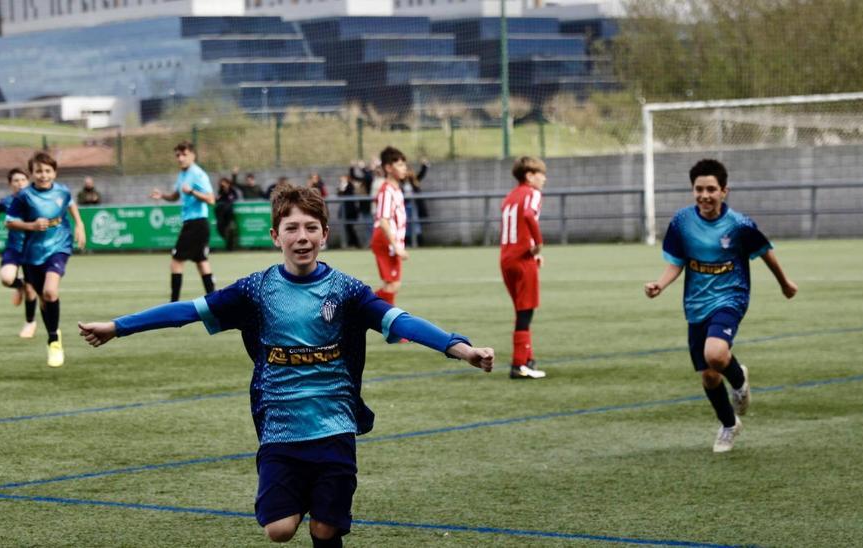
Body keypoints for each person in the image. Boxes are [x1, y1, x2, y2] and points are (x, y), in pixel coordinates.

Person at [77, 184, 494, 547]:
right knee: (278, 529)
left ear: (325, 235)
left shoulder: (347, 290)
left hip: (334, 426)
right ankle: (307, 496)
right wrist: (118, 327)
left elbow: (400, 321)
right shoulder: (255, 290)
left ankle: (323, 508)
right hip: (280, 429)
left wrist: (460, 348)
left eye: (311, 228)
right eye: (292, 228)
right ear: (276, 236)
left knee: (326, 529)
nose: (302, 237)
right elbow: (187, 311)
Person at [644, 159, 798, 453]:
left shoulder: (739, 225)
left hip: (731, 297)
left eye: (711, 189)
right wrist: (660, 285)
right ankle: (729, 425)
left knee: (715, 354)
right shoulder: (682, 222)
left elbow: (765, 252)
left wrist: (784, 283)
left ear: (724, 191)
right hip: (696, 303)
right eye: (699, 189)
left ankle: (738, 382)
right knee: (710, 375)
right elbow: (677, 263)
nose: (704, 195)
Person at [6, 152, 87, 367]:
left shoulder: (62, 191)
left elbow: (70, 203)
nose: (43, 175)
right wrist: (31, 225)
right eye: (39, 171)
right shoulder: (23, 196)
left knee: (51, 291)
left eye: (48, 171)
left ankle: (53, 341)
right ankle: (53, 330)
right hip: (32, 253)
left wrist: (79, 224)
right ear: (32, 173)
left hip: (59, 245)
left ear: (55, 172)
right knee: (44, 299)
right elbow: (10, 222)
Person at [499, 156, 549, 380]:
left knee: (521, 310)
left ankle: (528, 359)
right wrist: (538, 245)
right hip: (522, 259)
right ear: (529, 176)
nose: (544, 179)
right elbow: (528, 215)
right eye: (541, 174)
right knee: (525, 311)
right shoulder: (532, 193)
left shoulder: (510, 196)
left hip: (506, 258)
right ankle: (519, 364)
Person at [150, 142, 216, 302]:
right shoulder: (182, 174)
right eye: (178, 155)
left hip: (196, 223)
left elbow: (211, 199)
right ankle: (214, 302)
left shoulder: (198, 174)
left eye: (184, 154)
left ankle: (173, 303)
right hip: (194, 224)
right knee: (201, 262)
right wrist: (162, 196)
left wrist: (192, 191)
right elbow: (175, 196)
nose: (180, 158)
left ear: (193, 155)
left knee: (176, 262)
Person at [0, 168, 39, 338]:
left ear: (28, 181)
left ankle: (30, 322)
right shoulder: (7, 201)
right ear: (10, 184)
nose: (20, 183)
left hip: (32, 249)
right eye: (16, 180)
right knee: (6, 279)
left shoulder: (36, 200)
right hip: (13, 248)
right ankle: (19, 285)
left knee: (31, 289)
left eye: (23, 180)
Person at [370, 146, 409, 306]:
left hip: (389, 240)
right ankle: (362, 309)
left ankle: (361, 308)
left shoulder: (396, 189)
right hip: (385, 239)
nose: (404, 168)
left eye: (404, 164)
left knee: (392, 285)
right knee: (392, 285)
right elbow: (384, 221)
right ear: (388, 168)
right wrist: (396, 246)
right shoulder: (386, 191)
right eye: (399, 165)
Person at [402, 161, 429, 248]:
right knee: (406, 224)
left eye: (408, 170)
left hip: (414, 205)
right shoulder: (401, 182)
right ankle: (407, 242)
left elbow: (421, 174)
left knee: (416, 223)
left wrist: (424, 166)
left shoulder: (414, 180)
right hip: (405, 205)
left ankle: (419, 242)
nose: (407, 173)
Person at [336, 174, 362, 249]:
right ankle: (352, 243)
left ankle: (355, 243)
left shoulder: (350, 185)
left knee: (350, 227)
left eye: (343, 178)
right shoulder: (342, 186)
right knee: (348, 227)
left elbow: (349, 191)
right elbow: (339, 194)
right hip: (345, 210)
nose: (342, 180)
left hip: (350, 210)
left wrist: (344, 186)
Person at [215, 176, 240, 251]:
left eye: (225, 183)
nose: (223, 185)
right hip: (221, 216)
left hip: (229, 216)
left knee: (231, 230)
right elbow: (217, 200)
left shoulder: (232, 191)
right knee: (221, 229)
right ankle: (227, 245)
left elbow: (234, 198)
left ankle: (232, 247)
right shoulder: (220, 191)